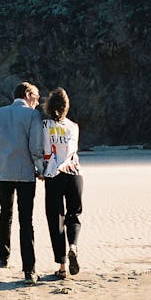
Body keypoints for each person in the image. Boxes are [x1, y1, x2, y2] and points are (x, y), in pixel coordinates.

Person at [0, 81, 44, 285]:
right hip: (25, 172)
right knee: (25, 220)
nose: (38, 99)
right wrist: (40, 167)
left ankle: (3, 256)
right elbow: (36, 146)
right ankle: (29, 269)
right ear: (27, 94)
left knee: (5, 212)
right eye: (36, 95)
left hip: (2, 171)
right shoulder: (33, 116)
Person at [41, 87, 83, 280]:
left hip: (53, 175)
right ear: (67, 107)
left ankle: (62, 266)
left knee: (55, 219)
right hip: (74, 174)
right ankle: (73, 246)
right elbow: (71, 150)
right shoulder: (74, 126)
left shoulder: (44, 126)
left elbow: (42, 150)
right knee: (73, 215)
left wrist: (40, 169)